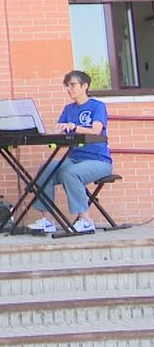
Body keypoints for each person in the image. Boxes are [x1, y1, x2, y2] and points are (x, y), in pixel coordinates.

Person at [27, 70, 113, 235]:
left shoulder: (97, 106)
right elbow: (59, 129)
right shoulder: (68, 109)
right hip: (74, 158)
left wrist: (74, 127)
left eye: (72, 85)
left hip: (99, 161)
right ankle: (47, 220)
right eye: (67, 85)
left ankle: (86, 221)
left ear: (84, 86)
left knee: (70, 173)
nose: (69, 89)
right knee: (45, 170)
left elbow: (96, 130)